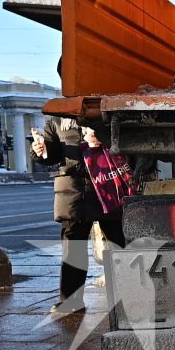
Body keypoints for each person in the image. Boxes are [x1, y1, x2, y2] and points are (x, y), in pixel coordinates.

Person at [32, 115, 134, 307]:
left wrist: (103, 141)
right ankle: (71, 301)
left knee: (118, 244)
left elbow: (128, 145)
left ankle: (127, 297)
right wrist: (40, 150)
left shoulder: (104, 114)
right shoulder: (56, 122)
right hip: (74, 191)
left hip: (107, 186)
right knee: (73, 248)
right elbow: (51, 156)